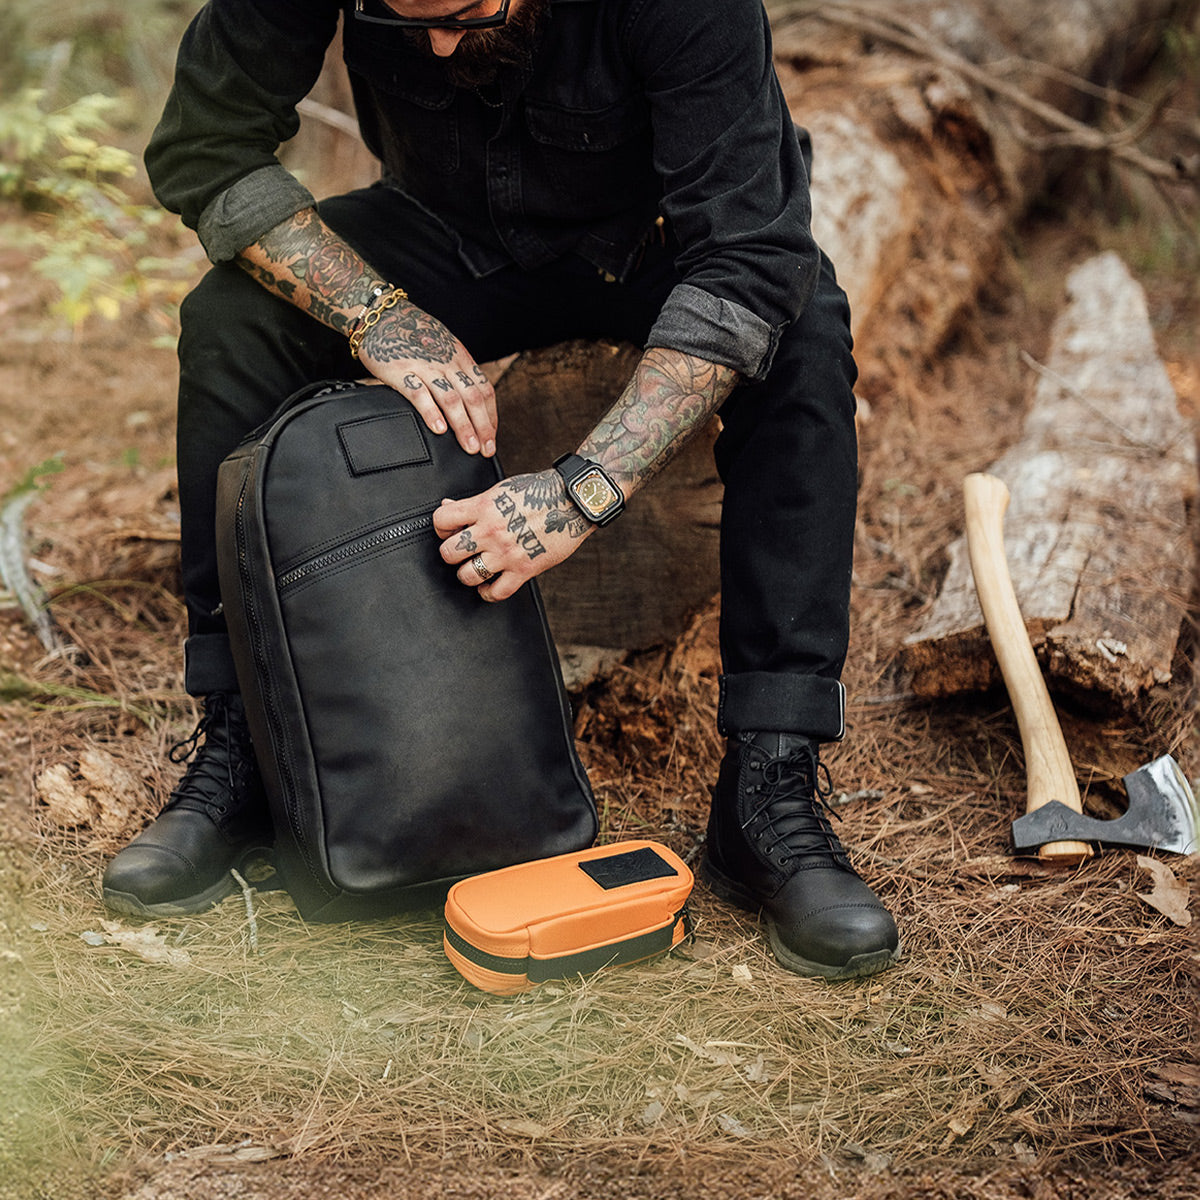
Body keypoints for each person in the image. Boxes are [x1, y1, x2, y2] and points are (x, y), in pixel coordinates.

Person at [101, 0, 901, 981]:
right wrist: (378, 316)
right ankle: (244, 749)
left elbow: (749, 256)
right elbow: (204, 147)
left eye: (467, 12)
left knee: (804, 336)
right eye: (401, 20)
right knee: (230, 319)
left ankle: (769, 788)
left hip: (659, 245)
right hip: (447, 237)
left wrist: (581, 489)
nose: (435, 45)